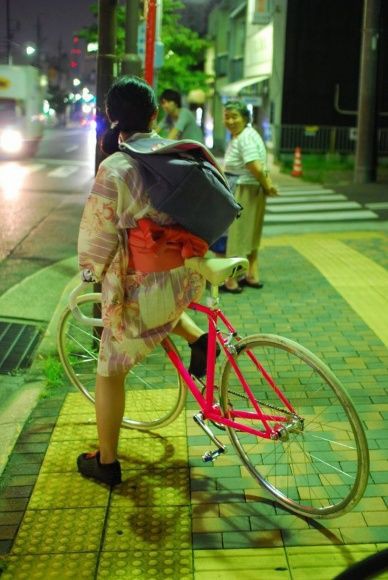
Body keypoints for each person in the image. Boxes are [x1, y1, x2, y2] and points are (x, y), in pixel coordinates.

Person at [76, 76, 216, 486]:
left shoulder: (117, 167)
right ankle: (198, 338)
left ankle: (106, 461)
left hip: (144, 282)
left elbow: (98, 236)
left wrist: (91, 270)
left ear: (110, 117)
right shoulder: (175, 153)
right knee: (159, 314)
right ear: (155, 116)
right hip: (184, 276)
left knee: (109, 371)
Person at [220, 101, 278, 293]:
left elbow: (254, 165)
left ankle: (232, 280)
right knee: (251, 235)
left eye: (234, 116)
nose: (230, 120)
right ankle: (252, 275)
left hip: (243, 189)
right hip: (252, 188)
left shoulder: (244, 138)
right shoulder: (247, 135)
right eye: (227, 116)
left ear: (245, 118)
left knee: (237, 236)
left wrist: (268, 185)